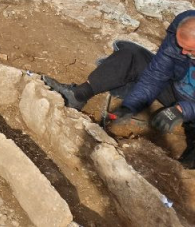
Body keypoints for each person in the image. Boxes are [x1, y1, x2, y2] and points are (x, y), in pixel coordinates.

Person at [43, 10, 195, 168]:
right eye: (181, 47)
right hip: (175, 88)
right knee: (132, 55)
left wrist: (182, 110)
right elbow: (157, 74)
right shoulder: (179, 35)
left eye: (190, 51)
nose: (183, 52)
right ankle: (78, 95)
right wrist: (131, 105)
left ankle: (186, 166)